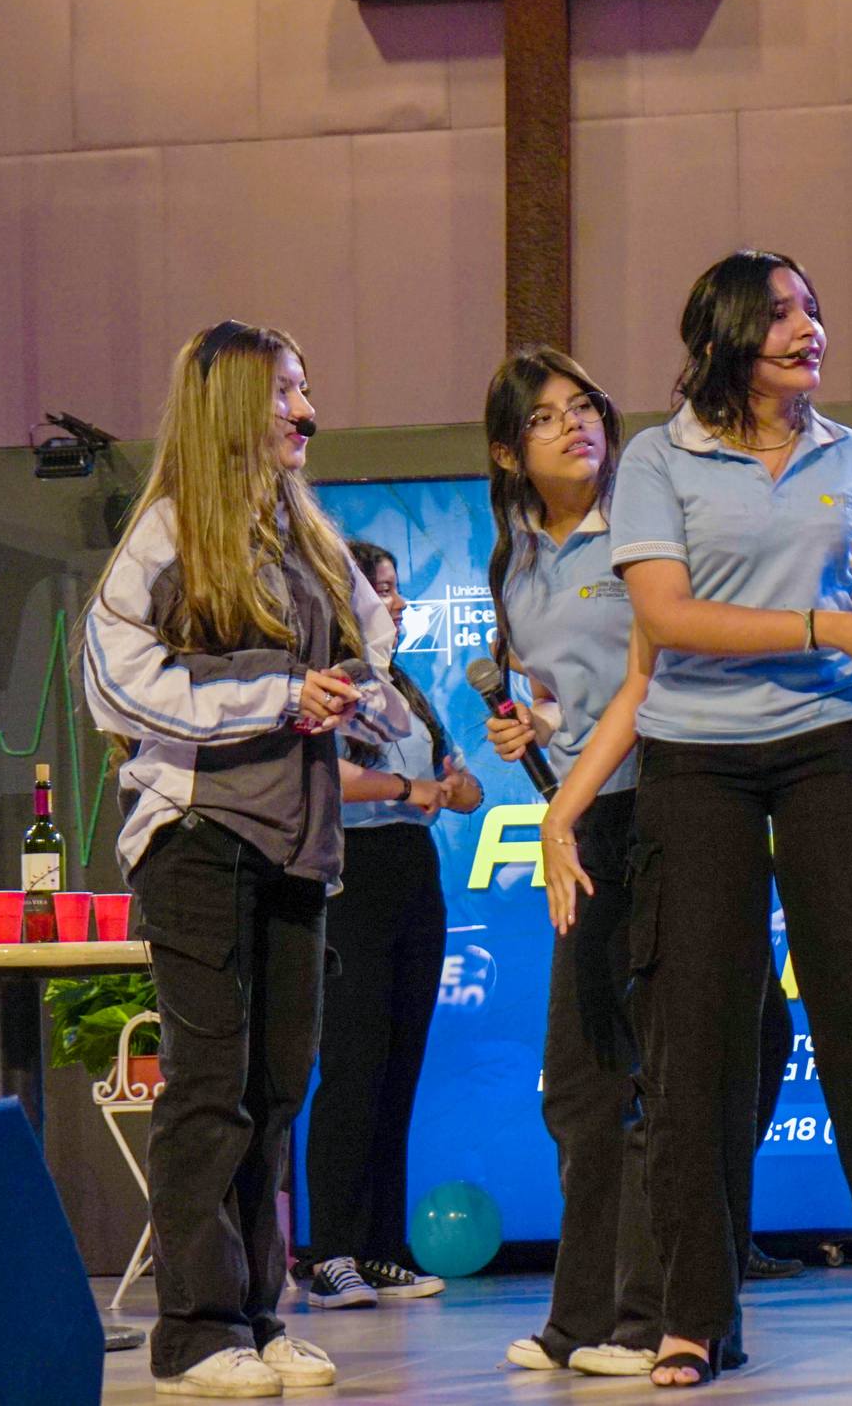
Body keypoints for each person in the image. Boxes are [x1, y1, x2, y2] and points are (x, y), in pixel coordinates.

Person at [609, 249, 852, 1387]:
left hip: (833, 743)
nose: (808, 329)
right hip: (696, 758)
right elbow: (667, 615)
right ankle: (693, 1315)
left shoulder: (851, 454)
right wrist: (822, 625)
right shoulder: (658, 458)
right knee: (694, 1036)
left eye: (812, 307)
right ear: (721, 337)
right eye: (779, 315)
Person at [84, 318, 408, 1399]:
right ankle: (192, 1331)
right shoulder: (171, 530)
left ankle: (260, 1315)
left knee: (275, 1088)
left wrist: (358, 696)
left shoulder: (307, 532)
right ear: (229, 405)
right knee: (210, 1087)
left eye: (303, 389)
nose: (304, 411)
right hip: (199, 835)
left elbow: (372, 653)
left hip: (299, 841)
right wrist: (276, 692)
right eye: (282, 392)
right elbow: (116, 681)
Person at [477, 348, 801, 1382]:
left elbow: (661, 666)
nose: (575, 424)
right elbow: (568, 688)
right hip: (588, 822)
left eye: (584, 406)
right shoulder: (515, 557)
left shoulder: (647, 519)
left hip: (672, 803)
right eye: (545, 416)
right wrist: (534, 725)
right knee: (584, 1081)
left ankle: (655, 1314)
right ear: (507, 452)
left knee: (680, 1069)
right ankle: (579, 1317)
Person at [304, 540, 483, 1309]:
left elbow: (459, 779)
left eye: (398, 589)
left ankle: (382, 1246)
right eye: (383, 589)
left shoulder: (405, 685)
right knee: (352, 1065)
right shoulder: (328, 685)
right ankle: (330, 1251)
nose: (400, 603)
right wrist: (407, 787)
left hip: (415, 871)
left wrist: (456, 785)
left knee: (398, 1067)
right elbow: (324, 777)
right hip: (352, 875)